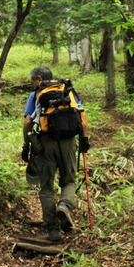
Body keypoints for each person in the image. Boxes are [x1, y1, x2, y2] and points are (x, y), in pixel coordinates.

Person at [22, 66, 90, 242]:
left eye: (33, 81)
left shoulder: (37, 93)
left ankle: (53, 230)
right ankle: (65, 205)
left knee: (46, 187)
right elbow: (81, 117)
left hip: (46, 142)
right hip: (69, 141)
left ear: (39, 78)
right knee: (68, 180)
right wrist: (84, 140)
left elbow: (28, 121)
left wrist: (27, 143)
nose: (33, 84)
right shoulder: (67, 89)